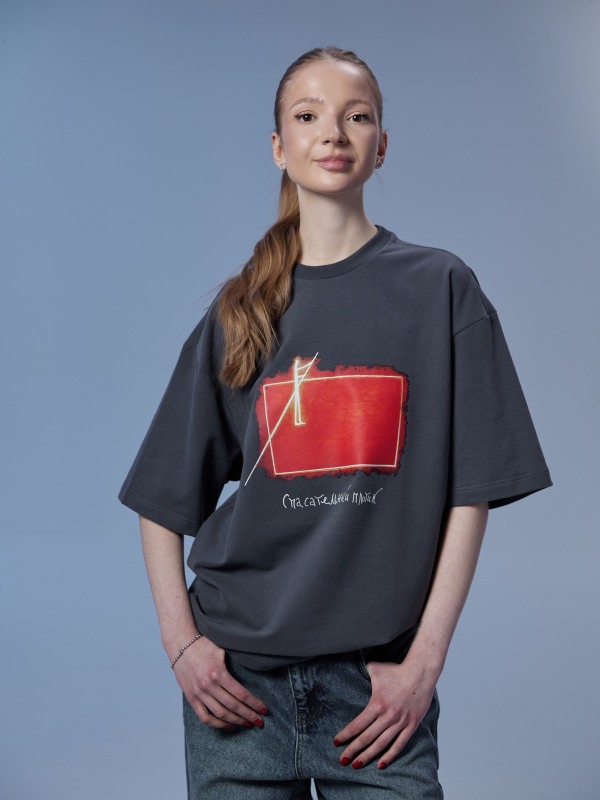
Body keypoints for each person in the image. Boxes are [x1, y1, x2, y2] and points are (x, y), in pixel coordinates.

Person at [119, 46, 552, 798]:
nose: (333, 132)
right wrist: (182, 645)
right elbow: (161, 497)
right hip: (240, 689)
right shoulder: (240, 311)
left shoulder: (441, 289)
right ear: (278, 147)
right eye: (308, 115)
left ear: (381, 145)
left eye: (357, 116)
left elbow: (472, 493)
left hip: (376, 692)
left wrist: (425, 663)